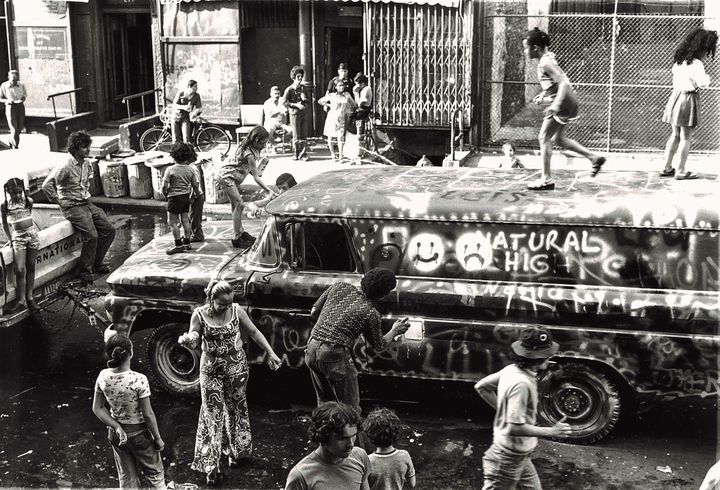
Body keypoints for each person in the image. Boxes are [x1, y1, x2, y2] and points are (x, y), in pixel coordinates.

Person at [178, 279, 282, 486]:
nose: (227, 307)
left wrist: (270, 353)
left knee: (236, 409)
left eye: (229, 302)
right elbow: (194, 335)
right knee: (212, 414)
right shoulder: (199, 314)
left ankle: (235, 452)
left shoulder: (236, 311)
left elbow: (253, 332)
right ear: (211, 299)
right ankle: (212, 464)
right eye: (223, 303)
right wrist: (188, 340)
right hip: (211, 370)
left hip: (237, 368)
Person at [474, 325, 574, 490]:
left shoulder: (511, 370)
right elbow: (514, 426)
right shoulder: (522, 383)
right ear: (537, 358)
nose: (549, 359)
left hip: (520, 456)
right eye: (547, 355)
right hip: (507, 459)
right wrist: (552, 431)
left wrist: (506, 412)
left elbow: (482, 387)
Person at [305, 268, 410, 418]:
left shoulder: (339, 286)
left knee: (324, 403)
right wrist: (395, 330)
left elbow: (314, 311)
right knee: (350, 409)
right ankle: (352, 440)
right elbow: (379, 345)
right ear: (382, 295)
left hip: (312, 346)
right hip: (334, 353)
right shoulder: (370, 313)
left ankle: (324, 437)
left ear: (365, 278)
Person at [524, 28, 606, 191]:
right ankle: (594, 158)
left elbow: (562, 82)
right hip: (568, 100)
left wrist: (554, 105)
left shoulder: (546, 62)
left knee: (544, 137)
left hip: (563, 101)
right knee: (558, 139)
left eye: (526, 47)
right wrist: (544, 95)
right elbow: (554, 84)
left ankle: (546, 179)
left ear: (535, 48)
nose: (525, 51)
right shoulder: (547, 59)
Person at [92, 334, 166, 489]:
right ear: (130, 353)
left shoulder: (103, 376)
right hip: (140, 435)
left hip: (117, 436)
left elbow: (97, 408)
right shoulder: (139, 379)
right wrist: (157, 438)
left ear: (109, 354)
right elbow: (147, 414)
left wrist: (117, 427)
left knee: (126, 479)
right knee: (155, 475)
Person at [42, 130, 116, 283]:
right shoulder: (65, 166)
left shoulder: (87, 163)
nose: (88, 149)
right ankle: (84, 270)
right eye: (84, 147)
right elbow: (46, 185)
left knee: (109, 230)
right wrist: (59, 201)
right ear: (75, 149)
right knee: (92, 235)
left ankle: (96, 264)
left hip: (85, 202)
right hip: (72, 206)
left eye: (88, 146)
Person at [660, 28, 717, 180]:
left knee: (675, 134)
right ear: (701, 48)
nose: (707, 53)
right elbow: (703, 83)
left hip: (675, 97)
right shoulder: (696, 63)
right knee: (686, 137)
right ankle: (680, 170)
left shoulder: (680, 60)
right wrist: (708, 78)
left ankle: (667, 167)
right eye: (706, 50)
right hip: (688, 99)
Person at [285, 402, 371, 490]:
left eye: (353, 436)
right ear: (323, 437)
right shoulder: (301, 476)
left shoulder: (360, 457)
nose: (351, 444)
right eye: (342, 438)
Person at [217, 125, 277, 249]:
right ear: (256, 140)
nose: (264, 146)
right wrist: (269, 190)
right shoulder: (249, 153)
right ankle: (237, 237)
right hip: (226, 177)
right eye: (263, 143)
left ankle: (240, 232)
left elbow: (250, 170)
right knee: (240, 204)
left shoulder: (251, 148)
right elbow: (256, 177)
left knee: (235, 205)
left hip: (232, 177)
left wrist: (261, 165)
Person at [1, 178, 40, 312]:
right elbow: (5, 224)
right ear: (8, 191)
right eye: (13, 193)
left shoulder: (28, 201)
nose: (17, 195)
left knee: (31, 266)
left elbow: (29, 216)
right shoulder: (5, 206)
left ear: (22, 191)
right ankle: (21, 299)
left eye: (19, 192)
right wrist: (10, 238)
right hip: (18, 238)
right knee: (20, 270)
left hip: (32, 236)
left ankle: (29, 297)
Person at [161, 142, 203, 255]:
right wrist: (196, 194)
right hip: (186, 197)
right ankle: (187, 243)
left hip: (174, 198)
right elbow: (195, 185)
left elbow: (165, 185)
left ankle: (178, 245)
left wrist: (164, 193)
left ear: (173, 156)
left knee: (172, 222)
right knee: (185, 219)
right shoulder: (190, 170)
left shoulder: (170, 169)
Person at [363, 407, 416, 490]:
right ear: (396, 434)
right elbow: (412, 484)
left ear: (370, 436)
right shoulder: (404, 455)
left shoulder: (367, 460)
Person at [318, 79, 356, 161]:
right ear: (335, 87)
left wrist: (348, 111)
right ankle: (332, 153)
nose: (342, 87)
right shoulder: (332, 95)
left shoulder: (346, 95)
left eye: (343, 85)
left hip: (342, 117)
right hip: (332, 116)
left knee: (341, 136)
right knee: (331, 136)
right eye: (340, 86)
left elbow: (353, 104)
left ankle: (341, 156)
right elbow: (320, 101)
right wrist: (329, 105)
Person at [283, 66, 309, 161]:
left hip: (303, 113)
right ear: (294, 77)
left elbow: (308, 101)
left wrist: (304, 99)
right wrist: (295, 105)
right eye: (298, 76)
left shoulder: (304, 89)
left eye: (301, 76)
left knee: (303, 133)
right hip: (294, 114)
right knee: (296, 134)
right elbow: (284, 102)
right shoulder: (289, 89)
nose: (300, 78)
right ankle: (296, 153)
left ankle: (303, 154)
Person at [0, 70, 26, 149]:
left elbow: (24, 95)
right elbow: (0, 98)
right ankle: (16, 146)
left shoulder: (21, 85)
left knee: (20, 127)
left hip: (20, 106)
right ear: (9, 78)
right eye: (12, 80)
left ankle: (11, 140)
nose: (14, 82)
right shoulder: (4, 85)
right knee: (14, 128)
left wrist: (22, 99)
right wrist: (7, 101)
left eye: (15, 80)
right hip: (10, 107)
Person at [172, 79, 202, 143]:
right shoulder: (181, 93)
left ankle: (187, 152)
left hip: (185, 117)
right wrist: (184, 107)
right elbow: (174, 105)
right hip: (176, 116)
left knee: (186, 138)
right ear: (189, 87)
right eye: (195, 86)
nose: (197, 88)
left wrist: (194, 113)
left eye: (196, 86)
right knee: (176, 138)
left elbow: (199, 108)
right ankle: (176, 152)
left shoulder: (197, 96)